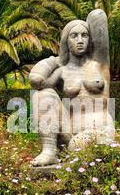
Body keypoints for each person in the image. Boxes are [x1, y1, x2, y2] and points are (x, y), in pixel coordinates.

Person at [29, 9, 114, 166]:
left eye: (85, 35)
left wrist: (85, 25)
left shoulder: (99, 63)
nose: (80, 40)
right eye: (74, 36)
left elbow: (98, 17)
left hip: (100, 133)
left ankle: (74, 148)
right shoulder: (62, 71)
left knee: (79, 145)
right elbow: (36, 80)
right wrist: (55, 61)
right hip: (70, 134)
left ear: (91, 40)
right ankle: (49, 152)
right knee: (43, 95)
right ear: (66, 41)